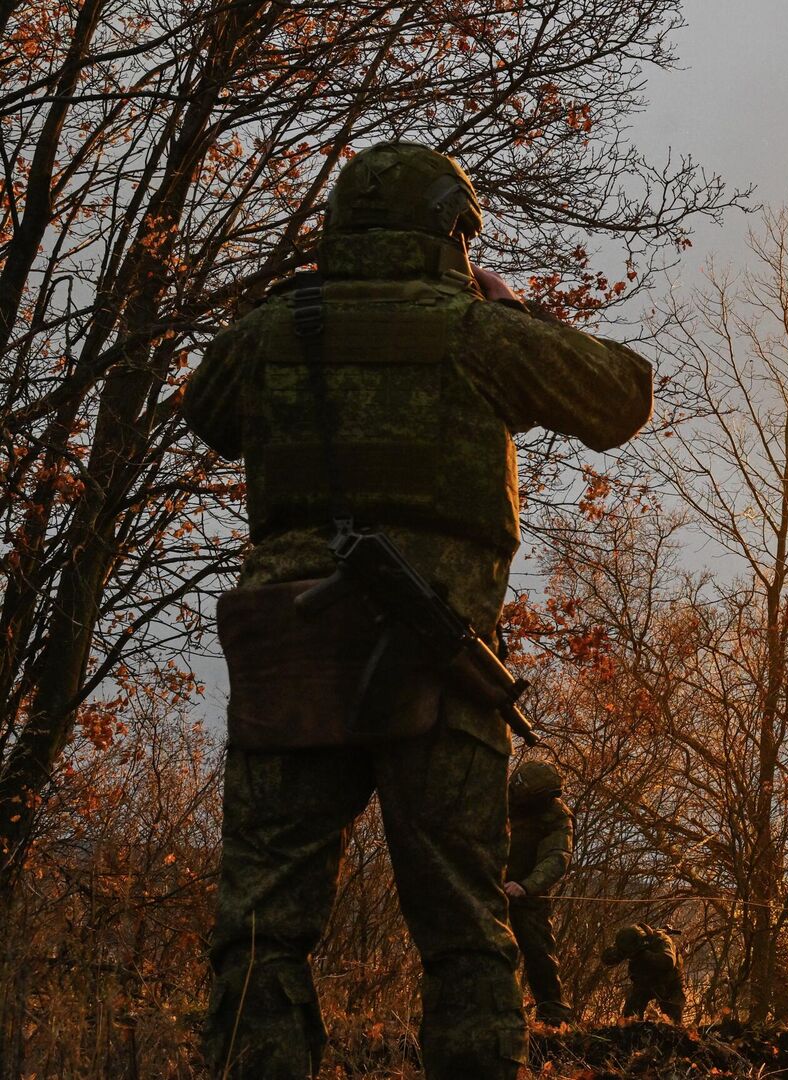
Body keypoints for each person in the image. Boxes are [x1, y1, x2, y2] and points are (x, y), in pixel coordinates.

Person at [185, 141, 653, 1079]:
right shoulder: (476, 331)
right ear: (451, 229)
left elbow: (209, 412)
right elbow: (621, 396)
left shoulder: (273, 330)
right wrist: (513, 309)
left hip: (293, 664)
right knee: (465, 934)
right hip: (433, 667)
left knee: (261, 933)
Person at [506, 759, 575, 1024]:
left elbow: (557, 856)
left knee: (540, 954)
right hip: (486, 886)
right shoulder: (495, 796)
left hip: (528, 892)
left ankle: (554, 1018)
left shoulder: (556, 815)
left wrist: (527, 885)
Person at [601, 924, 686, 1024]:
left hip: (669, 982)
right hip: (645, 981)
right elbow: (607, 958)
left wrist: (644, 955)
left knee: (672, 1022)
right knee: (630, 1017)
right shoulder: (627, 944)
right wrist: (617, 954)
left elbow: (669, 961)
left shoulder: (660, 940)